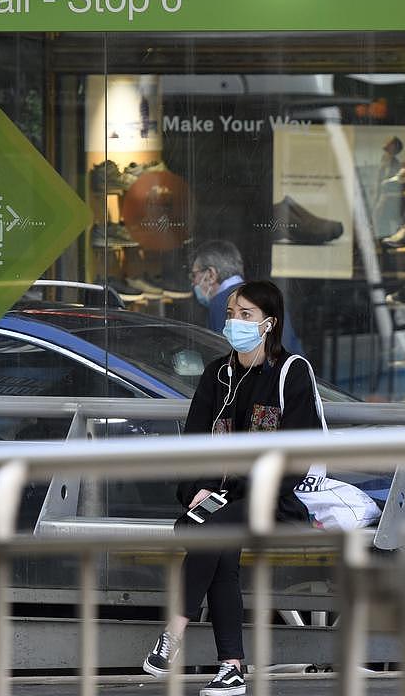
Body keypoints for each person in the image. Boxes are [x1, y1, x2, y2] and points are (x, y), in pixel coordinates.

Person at [142, 280, 323, 696]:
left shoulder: (291, 372)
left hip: (273, 500)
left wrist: (232, 489)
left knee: (211, 531)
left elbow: (295, 457)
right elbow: (194, 445)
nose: (235, 323)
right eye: (230, 314)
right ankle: (232, 669)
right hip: (220, 500)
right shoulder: (217, 375)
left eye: (246, 315)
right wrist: (200, 489)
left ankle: (176, 629)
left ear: (268, 324)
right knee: (208, 533)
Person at [191, 239, 303, 352]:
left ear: (211, 275)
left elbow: (220, 356)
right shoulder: (268, 295)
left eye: (194, 275)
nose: (193, 282)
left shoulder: (221, 303)